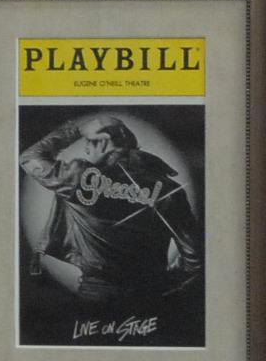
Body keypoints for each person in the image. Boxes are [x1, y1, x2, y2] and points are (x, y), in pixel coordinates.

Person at [19, 114, 201, 311]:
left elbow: (29, 158)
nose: (86, 151)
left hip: (96, 292)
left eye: (88, 144)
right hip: (151, 294)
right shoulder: (168, 188)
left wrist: (76, 130)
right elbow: (194, 254)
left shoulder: (79, 177)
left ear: (103, 142)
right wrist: (164, 282)